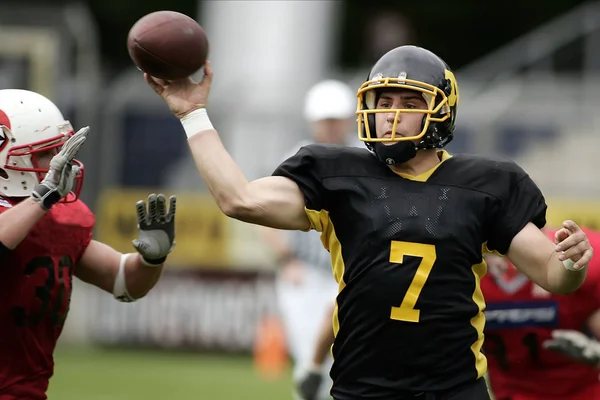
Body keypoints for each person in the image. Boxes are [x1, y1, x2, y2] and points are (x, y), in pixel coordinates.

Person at [145, 45, 594, 400]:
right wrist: (192, 113)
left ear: (441, 110)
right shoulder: (336, 174)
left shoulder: (487, 184)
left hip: (454, 389)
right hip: (363, 388)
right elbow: (237, 198)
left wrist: (572, 264)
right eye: (383, 100)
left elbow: (554, 276)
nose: (392, 113)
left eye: (409, 100)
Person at [0, 89, 176, 399]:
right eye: (48, 152)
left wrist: (151, 260)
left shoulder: (56, 216)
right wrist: (41, 199)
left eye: (61, 150)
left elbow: (123, 281)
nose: (60, 163)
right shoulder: (37, 208)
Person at [260, 79, 355, 400]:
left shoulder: (364, 158)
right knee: (311, 365)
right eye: (325, 120)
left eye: (336, 119)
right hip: (308, 274)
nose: (331, 127)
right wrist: (287, 261)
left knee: (346, 362)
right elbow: (263, 213)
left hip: (349, 274)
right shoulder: (298, 160)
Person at [482, 226, 600, 400]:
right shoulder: (465, 269)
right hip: (511, 393)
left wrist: (596, 354)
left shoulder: (576, 256)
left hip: (582, 393)